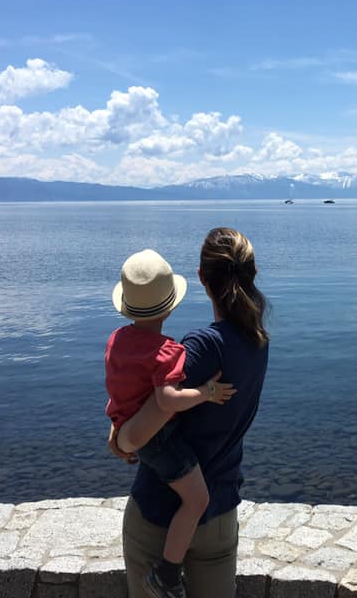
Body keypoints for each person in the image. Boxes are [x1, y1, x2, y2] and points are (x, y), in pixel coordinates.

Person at [109, 227, 270, 598]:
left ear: (201, 278)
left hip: (159, 516)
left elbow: (135, 435)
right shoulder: (258, 344)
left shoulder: (199, 348)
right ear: (252, 275)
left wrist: (118, 433)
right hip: (220, 515)